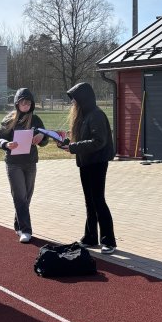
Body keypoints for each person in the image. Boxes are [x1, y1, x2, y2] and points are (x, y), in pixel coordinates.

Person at [57, 82, 117, 254]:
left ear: (83, 99)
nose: (73, 103)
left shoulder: (96, 115)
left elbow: (99, 141)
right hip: (85, 162)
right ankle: (90, 236)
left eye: (74, 99)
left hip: (97, 162)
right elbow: (82, 140)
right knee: (89, 201)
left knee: (98, 200)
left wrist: (74, 147)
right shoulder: (84, 115)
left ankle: (109, 240)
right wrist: (66, 143)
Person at [0, 88, 48, 243]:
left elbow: (45, 140)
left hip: (30, 162)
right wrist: (6, 144)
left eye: (28, 103)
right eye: (23, 103)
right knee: (19, 196)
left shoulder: (36, 120)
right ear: (17, 104)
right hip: (14, 164)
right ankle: (26, 230)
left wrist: (42, 136)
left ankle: (18, 225)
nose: (26, 105)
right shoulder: (9, 120)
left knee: (26, 197)